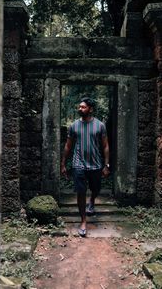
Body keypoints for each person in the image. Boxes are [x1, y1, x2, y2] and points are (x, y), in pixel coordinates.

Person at [61, 97, 110, 237]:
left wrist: (106, 165)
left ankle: (92, 200)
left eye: (83, 107)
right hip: (78, 164)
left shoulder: (100, 125)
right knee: (80, 192)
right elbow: (68, 146)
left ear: (90, 109)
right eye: (79, 107)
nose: (80, 109)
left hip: (95, 164)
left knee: (96, 189)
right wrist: (63, 163)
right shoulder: (74, 126)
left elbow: (105, 146)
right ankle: (83, 221)